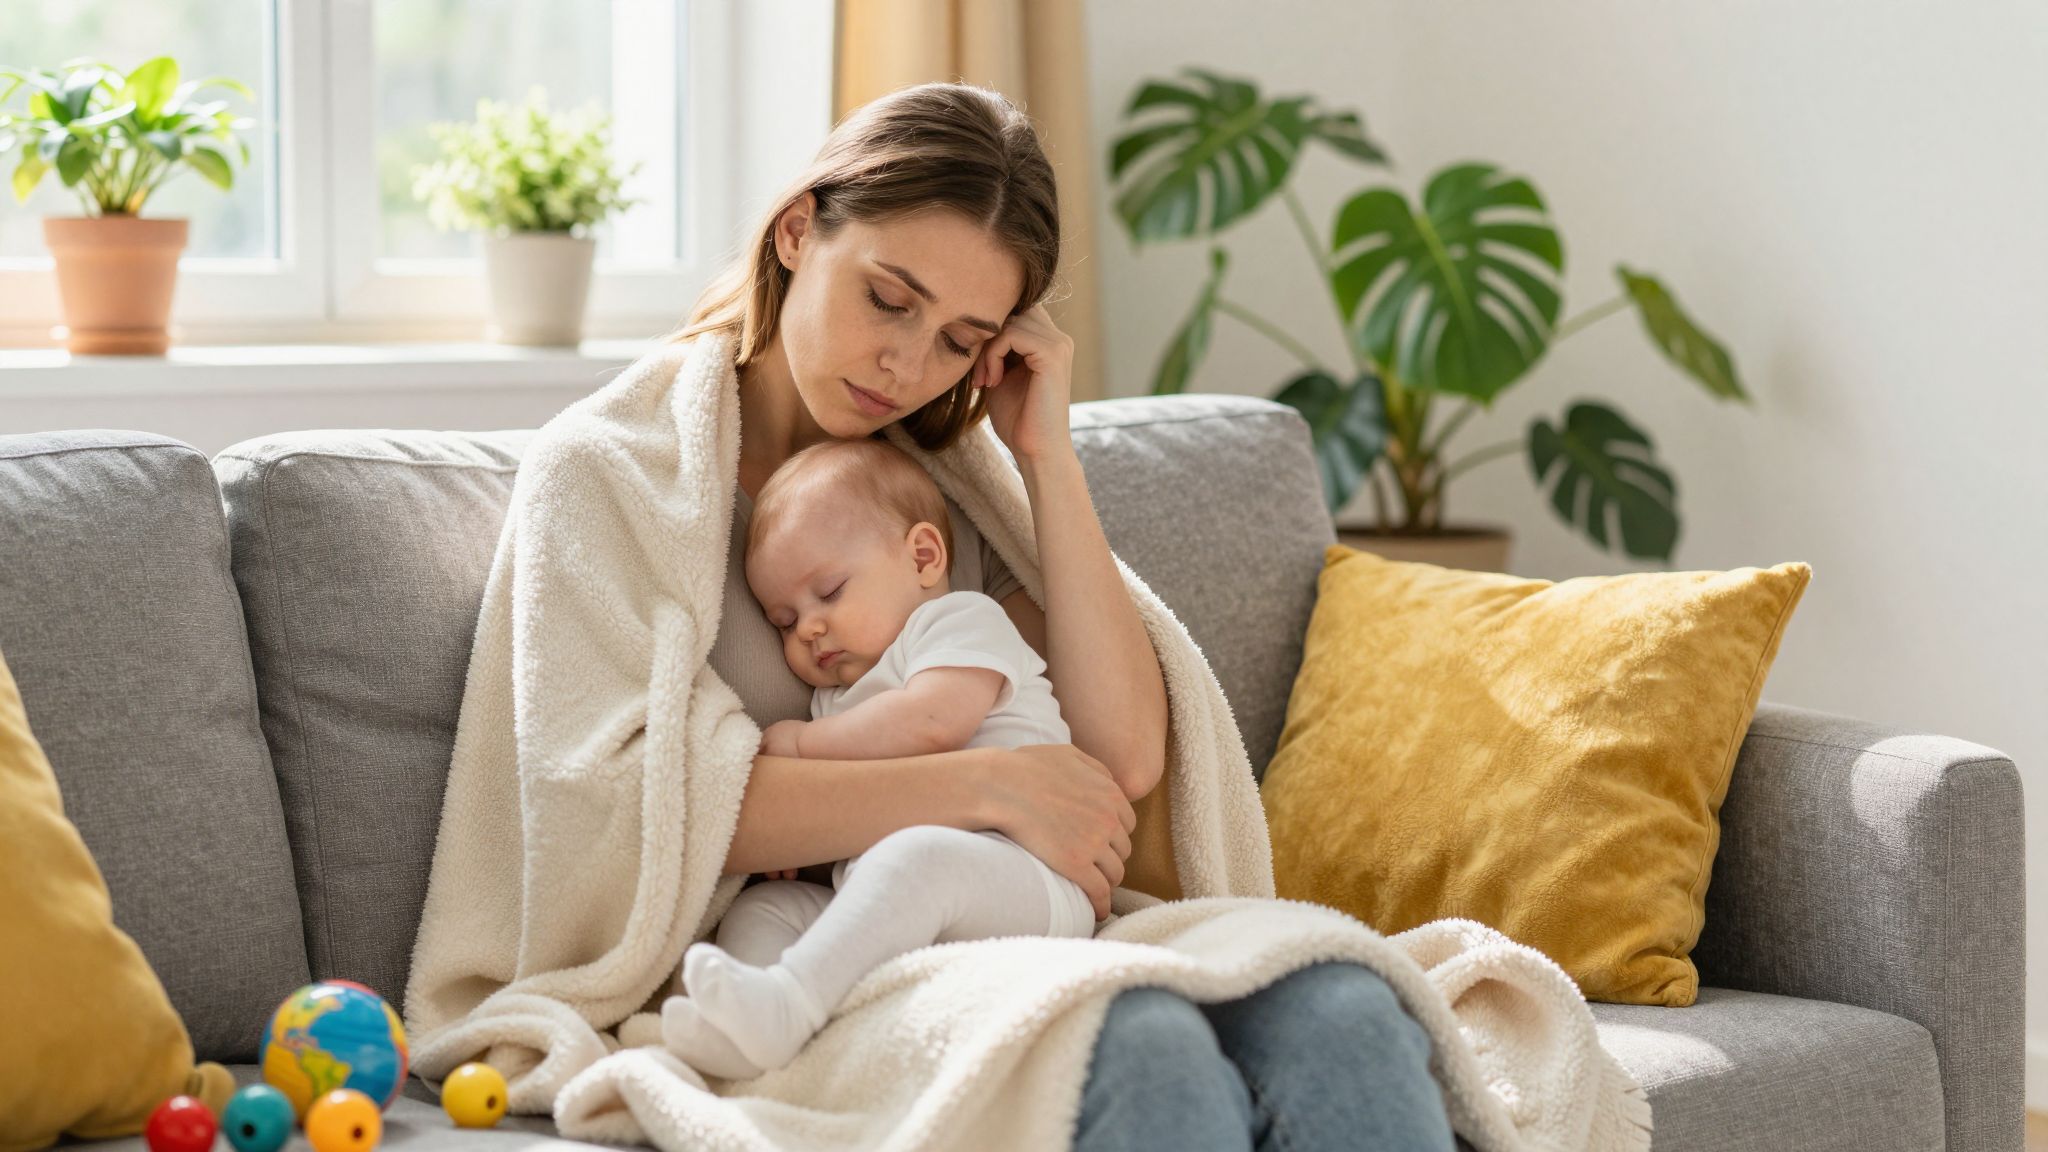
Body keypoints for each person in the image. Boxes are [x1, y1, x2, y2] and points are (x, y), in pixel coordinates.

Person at [664, 80, 1457, 1151]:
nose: (907, 365)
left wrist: (1044, 455)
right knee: (1142, 1043)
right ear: (799, 231)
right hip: (802, 950)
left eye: (959, 338)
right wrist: (982, 783)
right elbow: (643, 812)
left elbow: (1118, 753)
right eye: (888, 299)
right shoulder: (630, 482)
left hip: (984, 912)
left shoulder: (933, 495)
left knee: (1348, 1012)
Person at [661, 436, 1098, 1080]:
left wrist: (802, 748)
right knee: (764, 909)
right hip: (892, 901)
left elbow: (931, 724)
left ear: (922, 557)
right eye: (784, 620)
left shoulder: (956, 623)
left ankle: (792, 1004)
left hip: (1028, 882)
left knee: (914, 859)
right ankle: (746, 1024)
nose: (808, 628)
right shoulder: (834, 700)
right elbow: (848, 810)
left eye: (830, 591)